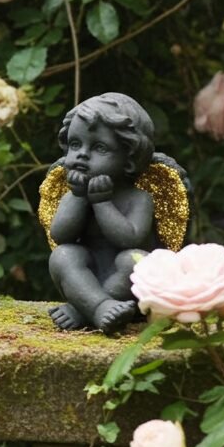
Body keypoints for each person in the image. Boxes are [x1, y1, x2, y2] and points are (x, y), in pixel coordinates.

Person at [48, 92, 156, 333]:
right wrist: (79, 198)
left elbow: (130, 239)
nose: (82, 154)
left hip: (126, 285)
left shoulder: (139, 199)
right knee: (63, 256)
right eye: (75, 144)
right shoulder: (74, 194)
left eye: (99, 147)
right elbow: (60, 235)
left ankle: (87, 308)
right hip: (86, 276)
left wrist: (102, 203)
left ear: (129, 159)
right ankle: (98, 307)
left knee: (134, 261)